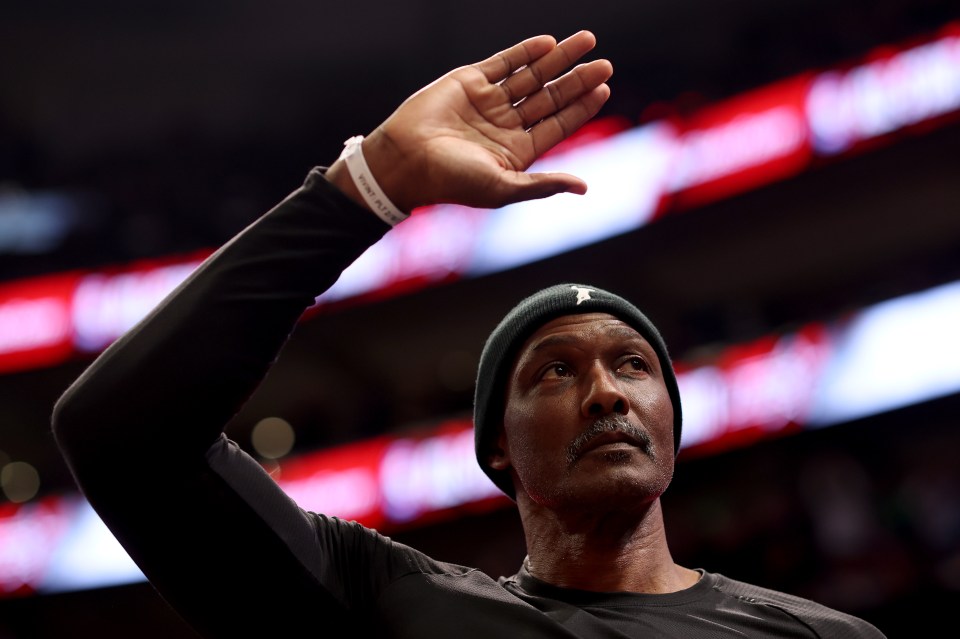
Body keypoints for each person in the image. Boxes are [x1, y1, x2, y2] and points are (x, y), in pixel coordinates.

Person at [51, 30, 887, 639]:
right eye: (553, 373)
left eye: (633, 365)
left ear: (671, 420)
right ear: (497, 449)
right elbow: (121, 435)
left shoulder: (825, 637)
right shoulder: (388, 606)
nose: (605, 391)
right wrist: (366, 185)